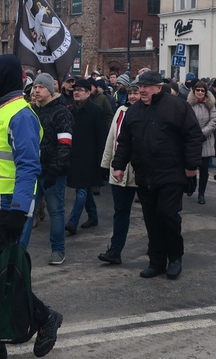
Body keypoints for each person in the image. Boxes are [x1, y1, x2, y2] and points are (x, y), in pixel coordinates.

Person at [0, 54, 62, 359]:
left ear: (4, 78)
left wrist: (20, 210)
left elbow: (28, 166)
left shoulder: (21, 115)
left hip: (6, 209)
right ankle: (39, 320)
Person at [111, 70, 201, 279]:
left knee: (168, 215)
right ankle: (157, 261)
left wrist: (191, 166)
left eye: (146, 87)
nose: (141, 90)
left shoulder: (177, 106)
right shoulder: (134, 112)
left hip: (171, 173)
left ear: (158, 88)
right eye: (140, 86)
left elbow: (193, 136)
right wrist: (119, 166)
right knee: (151, 219)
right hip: (145, 175)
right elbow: (125, 141)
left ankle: (175, 258)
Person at [19, 73, 73, 265]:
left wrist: (55, 170)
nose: (36, 90)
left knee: (55, 211)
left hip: (52, 172)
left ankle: (58, 250)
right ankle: (19, 251)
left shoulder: (61, 112)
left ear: (50, 90)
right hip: (32, 171)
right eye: (35, 87)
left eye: (41, 87)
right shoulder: (31, 111)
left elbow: (65, 144)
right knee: (26, 212)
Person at [98, 81, 140, 265]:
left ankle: (156, 248)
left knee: (152, 212)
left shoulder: (149, 112)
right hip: (120, 168)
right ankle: (115, 250)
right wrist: (106, 164)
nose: (132, 96)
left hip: (141, 170)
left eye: (136, 93)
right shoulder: (121, 111)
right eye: (130, 93)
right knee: (120, 211)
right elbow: (111, 138)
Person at [65, 77, 107, 235]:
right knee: (84, 189)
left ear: (88, 93)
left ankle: (72, 222)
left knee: (81, 189)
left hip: (90, 158)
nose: (76, 92)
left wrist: (101, 161)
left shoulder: (97, 112)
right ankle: (93, 216)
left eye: (80, 90)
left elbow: (102, 138)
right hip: (74, 156)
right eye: (75, 90)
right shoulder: (70, 111)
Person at [187, 80, 216, 205]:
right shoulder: (188, 104)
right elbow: (185, 119)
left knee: (204, 169)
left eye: (202, 90)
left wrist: (203, 133)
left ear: (206, 92)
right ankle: (191, 186)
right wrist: (193, 133)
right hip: (191, 141)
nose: (200, 92)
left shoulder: (210, 104)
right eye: (197, 90)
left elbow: (214, 120)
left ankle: (201, 193)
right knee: (191, 166)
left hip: (206, 140)